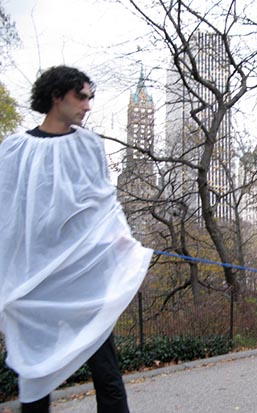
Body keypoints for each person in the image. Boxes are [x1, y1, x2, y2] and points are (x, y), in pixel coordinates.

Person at [0, 66, 153, 412]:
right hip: (35, 284)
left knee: (107, 373)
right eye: (80, 97)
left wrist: (124, 244)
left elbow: (104, 206)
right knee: (34, 376)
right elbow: (7, 216)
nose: (87, 105)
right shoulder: (14, 150)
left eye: (90, 98)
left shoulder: (88, 145)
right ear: (57, 97)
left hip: (85, 281)